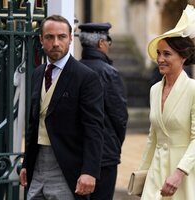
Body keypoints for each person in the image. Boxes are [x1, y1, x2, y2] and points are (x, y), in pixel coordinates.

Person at [19, 15, 105, 200]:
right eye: (49, 37)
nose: (56, 43)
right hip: (38, 164)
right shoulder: (37, 73)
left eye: (61, 37)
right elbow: (34, 123)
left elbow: (94, 128)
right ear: (41, 40)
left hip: (67, 165)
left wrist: (89, 171)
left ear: (70, 38)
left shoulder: (85, 77)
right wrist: (27, 162)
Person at [138, 4, 195, 200]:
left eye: (167, 54)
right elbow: (152, 138)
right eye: (159, 54)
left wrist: (180, 172)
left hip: (184, 176)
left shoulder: (193, 90)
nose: (160, 59)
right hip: (156, 174)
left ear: (183, 57)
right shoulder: (154, 90)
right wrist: (141, 174)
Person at [78, 22, 128, 200]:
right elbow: (120, 117)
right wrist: (115, 146)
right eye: (108, 41)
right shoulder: (109, 72)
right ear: (101, 43)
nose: (108, 45)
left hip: (76, 152)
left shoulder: (74, 70)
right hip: (105, 154)